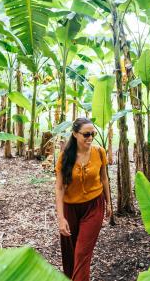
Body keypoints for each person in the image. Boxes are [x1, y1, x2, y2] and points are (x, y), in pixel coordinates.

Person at [55, 117, 112, 281]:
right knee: (70, 253)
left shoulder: (99, 152)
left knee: (82, 253)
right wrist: (61, 218)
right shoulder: (65, 157)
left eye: (93, 134)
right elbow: (59, 188)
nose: (90, 138)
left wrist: (109, 203)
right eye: (86, 135)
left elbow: (104, 179)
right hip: (70, 207)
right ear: (75, 134)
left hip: (94, 206)